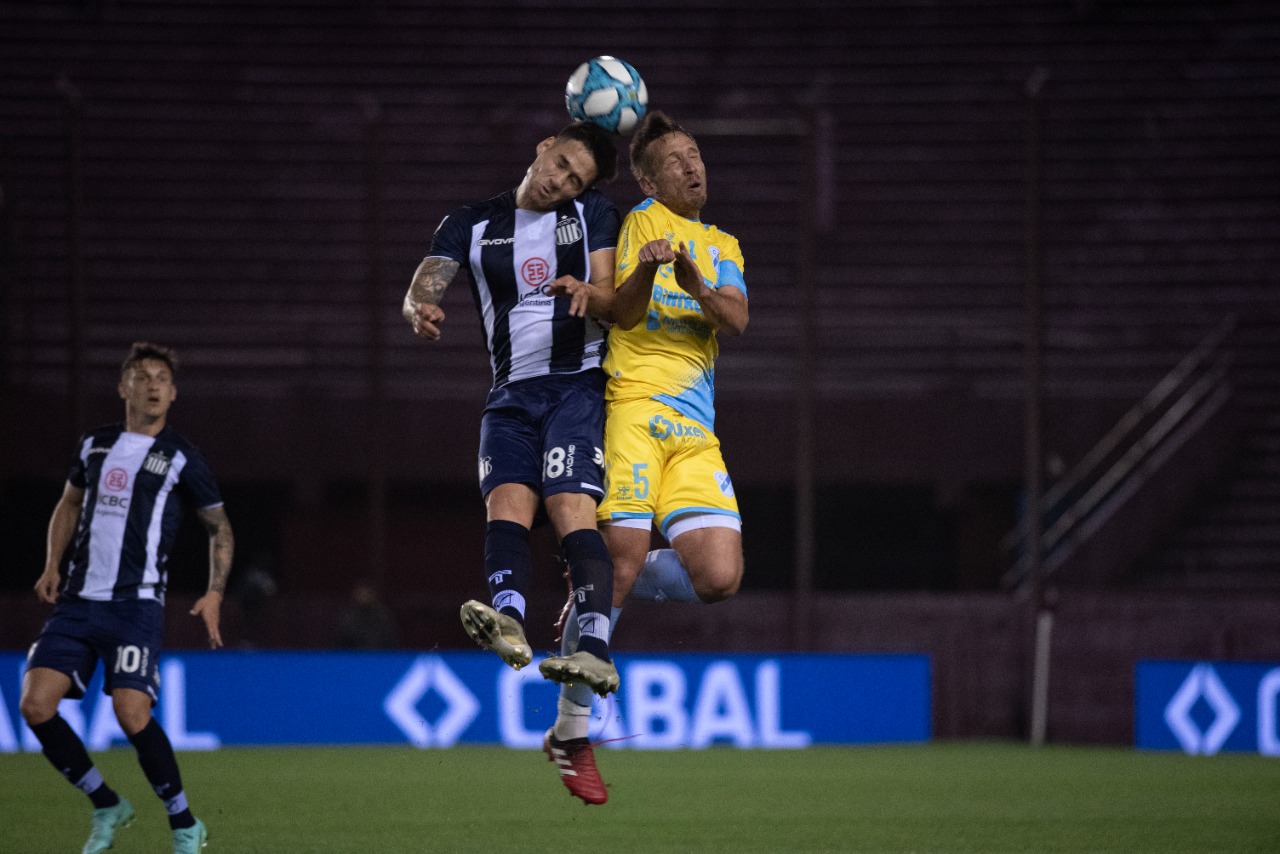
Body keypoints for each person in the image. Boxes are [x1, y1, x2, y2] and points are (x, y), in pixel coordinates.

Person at [548, 111, 750, 805]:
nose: (693, 166)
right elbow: (623, 314)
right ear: (647, 179)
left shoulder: (723, 243)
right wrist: (645, 267)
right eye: (677, 160)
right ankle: (573, 731)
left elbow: (738, 318)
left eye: (697, 155)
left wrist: (693, 280)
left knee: (720, 576)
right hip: (632, 409)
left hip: (695, 430)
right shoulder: (633, 223)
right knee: (624, 556)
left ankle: (593, 581)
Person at [402, 121, 623, 702]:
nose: (563, 183)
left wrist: (589, 293)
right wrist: (419, 307)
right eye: (562, 166)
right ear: (543, 148)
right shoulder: (469, 224)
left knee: (570, 505)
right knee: (505, 505)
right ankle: (510, 622)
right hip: (510, 393)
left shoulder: (593, 214)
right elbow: (427, 283)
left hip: (577, 385)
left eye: (577, 180)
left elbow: (612, 297)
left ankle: (595, 651)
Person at [19, 341, 233, 854]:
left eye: (163, 378)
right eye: (144, 376)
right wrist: (52, 563)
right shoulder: (94, 445)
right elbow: (69, 504)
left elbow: (218, 526)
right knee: (35, 705)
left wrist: (214, 592)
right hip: (77, 600)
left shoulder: (182, 457)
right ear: (124, 388)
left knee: (131, 713)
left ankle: (184, 824)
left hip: (136, 605)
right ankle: (106, 802)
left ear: (173, 393)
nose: (154, 384)